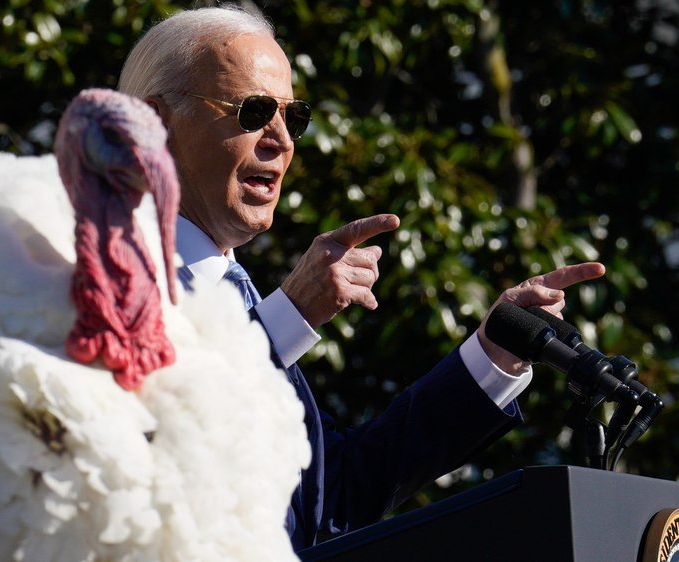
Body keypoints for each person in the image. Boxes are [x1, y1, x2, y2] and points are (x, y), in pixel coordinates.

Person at [117, 5, 606, 551]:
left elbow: (336, 497)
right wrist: (288, 316)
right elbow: (142, 441)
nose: (281, 139)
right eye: (254, 112)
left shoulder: (238, 296)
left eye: (293, 117)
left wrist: (491, 355)